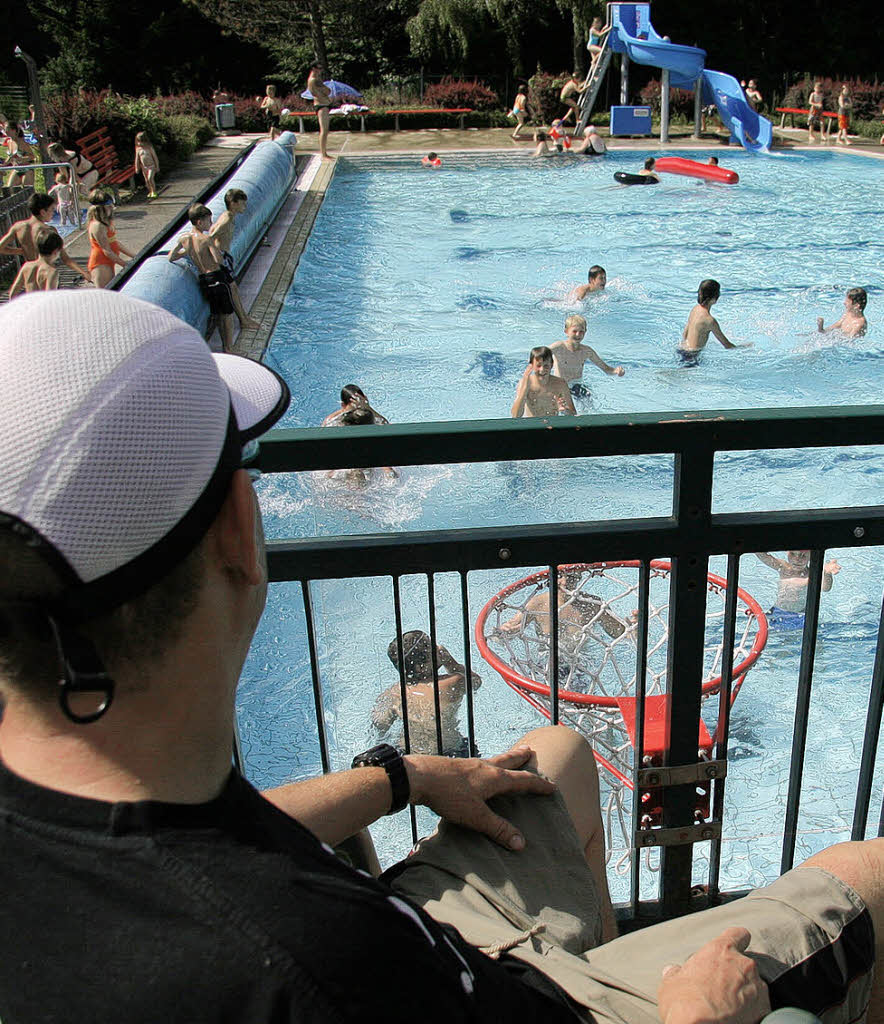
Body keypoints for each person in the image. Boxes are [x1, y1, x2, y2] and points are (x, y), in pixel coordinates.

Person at [0, 288, 881, 1024]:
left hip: (423, 933)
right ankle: (625, 988)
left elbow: (200, 841)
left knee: (559, 757)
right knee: (869, 875)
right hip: (477, 983)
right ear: (239, 529)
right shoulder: (297, 967)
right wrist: (698, 1017)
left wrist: (403, 779)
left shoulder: (87, 819)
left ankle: (603, 954)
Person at [371, 631, 482, 757]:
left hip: (407, 755)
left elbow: (380, 724)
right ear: (421, 666)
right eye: (431, 647)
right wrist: (451, 663)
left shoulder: (394, 692)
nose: (438, 648)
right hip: (450, 754)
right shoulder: (452, 683)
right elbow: (476, 682)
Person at [498, 569, 633, 653]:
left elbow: (620, 633)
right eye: (559, 575)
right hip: (546, 663)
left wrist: (633, 627)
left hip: (580, 665)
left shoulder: (593, 605)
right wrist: (505, 633)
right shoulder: (537, 604)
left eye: (570, 576)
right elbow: (507, 632)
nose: (564, 582)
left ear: (579, 577)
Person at [169, 202, 236, 353]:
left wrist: (187, 252)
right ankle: (229, 347)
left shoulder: (184, 239)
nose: (211, 223)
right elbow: (218, 260)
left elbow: (171, 257)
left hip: (204, 281)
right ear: (200, 222)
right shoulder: (205, 240)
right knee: (227, 314)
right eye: (209, 220)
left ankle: (224, 346)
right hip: (216, 278)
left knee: (217, 313)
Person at [0, 192, 91, 286]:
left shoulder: (18, 227)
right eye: (52, 210)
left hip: (30, 273)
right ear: (43, 212)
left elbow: (1, 247)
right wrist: (83, 272)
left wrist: (22, 251)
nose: (53, 213)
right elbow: (65, 259)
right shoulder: (48, 231)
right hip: (47, 274)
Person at [209, 187, 262, 331]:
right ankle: (243, 320)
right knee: (233, 289)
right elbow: (209, 238)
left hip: (225, 257)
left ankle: (244, 319)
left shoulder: (228, 216)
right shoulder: (226, 219)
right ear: (233, 203)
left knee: (234, 289)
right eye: (242, 204)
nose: (245, 207)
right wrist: (217, 256)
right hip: (222, 259)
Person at [550, 314, 624, 398]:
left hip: (576, 385)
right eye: (574, 331)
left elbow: (606, 369)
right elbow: (540, 355)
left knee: (589, 398)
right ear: (566, 331)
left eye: (581, 331)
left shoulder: (586, 351)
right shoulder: (559, 347)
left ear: (585, 332)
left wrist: (616, 371)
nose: (578, 334)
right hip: (560, 386)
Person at [678, 279, 752, 362]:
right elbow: (727, 345)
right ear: (714, 298)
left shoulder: (695, 309)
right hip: (693, 355)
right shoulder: (710, 321)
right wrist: (743, 347)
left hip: (682, 350)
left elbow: (685, 334)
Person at [324, 405, 398, 485]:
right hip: (362, 482)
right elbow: (390, 473)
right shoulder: (373, 446)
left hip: (345, 481)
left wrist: (343, 409)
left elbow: (325, 425)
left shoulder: (342, 445)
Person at [755, 551, 841, 619]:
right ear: (787, 552)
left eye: (803, 556)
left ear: (811, 555)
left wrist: (827, 573)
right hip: (777, 611)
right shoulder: (783, 568)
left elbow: (825, 588)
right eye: (792, 554)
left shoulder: (812, 574)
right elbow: (762, 556)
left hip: (799, 615)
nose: (797, 559)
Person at [86, 189, 134, 288]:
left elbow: (115, 243)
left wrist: (134, 256)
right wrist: (125, 264)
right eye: (109, 207)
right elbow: (106, 250)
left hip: (108, 261)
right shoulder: (97, 225)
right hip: (100, 263)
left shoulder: (106, 222)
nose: (111, 209)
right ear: (100, 209)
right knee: (106, 294)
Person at [511, 346, 576, 417]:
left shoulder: (560, 384)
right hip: (533, 425)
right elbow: (516, 416)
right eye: (538, 365)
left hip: (553, 425)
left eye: (546, 366)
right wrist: (524, 390)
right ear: (531, 366)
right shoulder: (525, 383)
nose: (542, 369)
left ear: (551, 365)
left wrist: (565, 410)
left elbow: (573, 414)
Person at [8, 229, 63, 297]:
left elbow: (13, 293)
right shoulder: (51, 272)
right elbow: (50, 298)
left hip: (30, 305)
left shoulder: (26, 266)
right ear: (55, 251)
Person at [322, 383, 390, 427]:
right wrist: (368, 408)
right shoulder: (371, 418)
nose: (356, 412)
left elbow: (325, 426)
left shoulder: (336, 421)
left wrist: (343, 410)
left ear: (343, 404)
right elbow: (386, 425)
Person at [307, 68, 332, 159]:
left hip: (323, 104)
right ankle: (323, 154)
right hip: (321, 105)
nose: (320, 71)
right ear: (314, 69)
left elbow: (326, 91)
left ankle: (324, 153)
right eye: (319, 68)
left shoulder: (315, 79)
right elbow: (326, 91)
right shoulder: (314, 80)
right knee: (324, 130)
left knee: (325, 130)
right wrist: (325, 92)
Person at [134, 131, 160, 197]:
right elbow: (137, 159)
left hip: (151, 166)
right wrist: (137, 167)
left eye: (141, 142)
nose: (140, 143)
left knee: (150, 178)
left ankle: (154, 191)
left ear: (145, 141)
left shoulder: (149, 148)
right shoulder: (138, 149)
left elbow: (155, 157)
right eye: (138, 142)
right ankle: (150, 191)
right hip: (144, 167)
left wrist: (157, 166)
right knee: (146, 181)